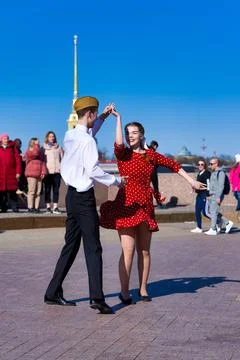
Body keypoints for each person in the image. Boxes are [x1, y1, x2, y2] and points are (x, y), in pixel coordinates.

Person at [100, 109, 206, 304]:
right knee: (128, 250)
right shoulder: (123, 154)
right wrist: (118, 119)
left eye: (134, 132)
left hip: (145, 205)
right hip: (126, 204)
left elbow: (173, 165)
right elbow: (118, 143)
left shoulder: (151, 156)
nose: (130, 136)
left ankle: (143, 289)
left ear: (142, 135)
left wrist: (191, 182)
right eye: (127, 132)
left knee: (145, 251)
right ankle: (124, 292)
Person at [44, 97, 124, 315]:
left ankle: (52, 292)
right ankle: (97, 298)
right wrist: (116, 180)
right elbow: (93, 170)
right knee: (93, 247)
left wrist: (105, 117)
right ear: (90, 113)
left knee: (70, 246)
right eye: (95, 114)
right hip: (83, 198)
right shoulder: (87, 141)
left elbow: (90, 131)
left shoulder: (70, 135)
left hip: (71, 197)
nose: (96, 117)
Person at [204, 158, 233, 235]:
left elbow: (221, 186)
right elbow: (212, 185)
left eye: (211, 164)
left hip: (217, 195)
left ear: (216, 164)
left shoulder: (221, 173)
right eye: (209, 164)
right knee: (213, 211)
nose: (210, 165)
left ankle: (213, 229)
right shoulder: (213, 172)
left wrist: (218, 196)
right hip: (212, 194)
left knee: (213, 211)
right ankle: (227, 222)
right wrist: (209, 194)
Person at [42, 131, 64, 214]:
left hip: (57, 172)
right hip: (47, 172)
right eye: (50, 136)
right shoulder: (43, 148)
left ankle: (55, 207)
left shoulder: (59, 147)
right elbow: (42, 160)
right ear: (47, 137)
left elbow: (63, 159)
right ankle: (48, 207)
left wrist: (61, 168)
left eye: (53, 136)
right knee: (47, 190)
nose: (52, 138)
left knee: (56, 190)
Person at [24, 138, 47, 213]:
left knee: (38, 192)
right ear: (33, 142)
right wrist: (36, 145)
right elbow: (35, 154)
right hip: (31, 173)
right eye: (37, 141)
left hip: (39, 174)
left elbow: (43, 162)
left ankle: (36, 208)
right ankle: (30, 207)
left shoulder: (40, 151)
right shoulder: (29, 150)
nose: (38, 142)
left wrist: (43, 172)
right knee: (32, 191)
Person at [0, 134, 21, 212]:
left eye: (7, 138)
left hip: (11, 173)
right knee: (2, 192)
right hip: (1, 173)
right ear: (1, 140)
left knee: (12, 191)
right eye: (5, 138)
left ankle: (15, 207)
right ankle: (3, 208)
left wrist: (18, 172)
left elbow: (18, 160)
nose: (6, 140)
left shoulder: (13, 148)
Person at [191, 159, 211, 233]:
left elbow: (209, 185)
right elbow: (198, 185)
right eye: (199, 164)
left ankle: (217, 222)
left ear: (204, 165)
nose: (200, 166)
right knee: (197, 211)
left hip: (204, 195)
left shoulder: (207, 173)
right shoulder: (199, 174)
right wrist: (194, 188)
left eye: (202, 164)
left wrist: (208, 194)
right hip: (199, 195)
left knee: (205, 213)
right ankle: (199, 227)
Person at [148, 140, 166, 206]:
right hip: (153, 172)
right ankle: (159, 203)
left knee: (146, 187)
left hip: (146, 172)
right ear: (155, 146)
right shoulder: (153, 153)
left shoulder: (146, 151)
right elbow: (155, 162)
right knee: (156, 187)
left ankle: (148, 203)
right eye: (156, 147)